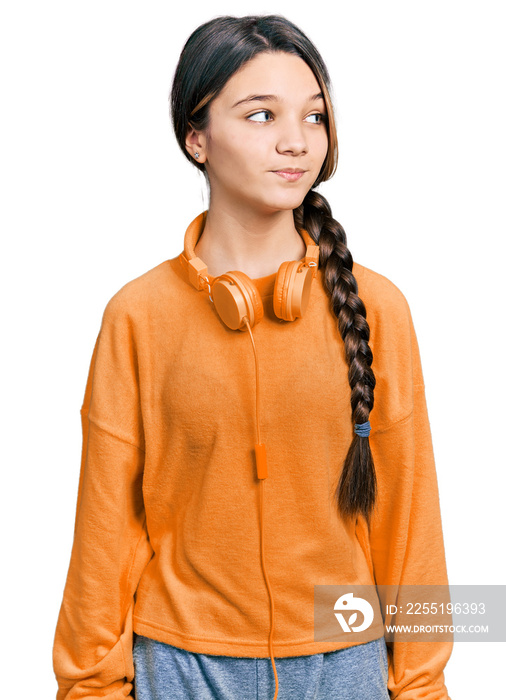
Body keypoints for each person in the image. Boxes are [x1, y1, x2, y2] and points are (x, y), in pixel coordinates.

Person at [52, 14, 453, 700]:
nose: (297, 141)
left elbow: (411, 518)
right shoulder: (137, 317)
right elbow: (104, 532)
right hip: (180, 666)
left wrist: (422, 687)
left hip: (345, 659)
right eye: (261, 115)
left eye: (315, 117)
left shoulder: (379, 308)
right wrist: (89, 687)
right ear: (196, 137)